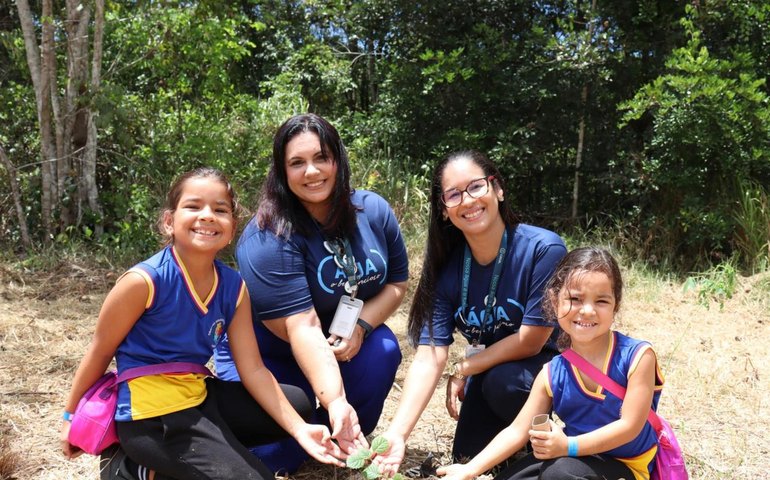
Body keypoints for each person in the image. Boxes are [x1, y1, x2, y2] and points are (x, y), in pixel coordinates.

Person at [60, 168, 344, 480]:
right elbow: (100, 351)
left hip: (198, 396)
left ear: (233, 227)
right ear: (169, 221)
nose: (207, 216)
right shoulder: (143, 282)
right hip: (150, 417)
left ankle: (165, 467)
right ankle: (131, 464)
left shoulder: (233, 286)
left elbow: (253, 369)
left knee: (298, 404)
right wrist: (70, 416)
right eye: (194, 207)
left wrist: (300, 430)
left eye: (220, 209)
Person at [214, 113, 408, 473]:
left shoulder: (374, 210)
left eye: (322, 157)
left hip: (339, 353)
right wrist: (334, 400)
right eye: (297, 162)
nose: (312, 171)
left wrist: (361, 326)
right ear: (281, 172)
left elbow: (397, 284)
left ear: (338, 160)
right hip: (270, 361)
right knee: (270, 456)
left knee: (383, 348)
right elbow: (300, 327)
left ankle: (343, 439)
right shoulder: (267, 236)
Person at [375, 150, 567, 475]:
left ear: (498, 189)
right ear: (445, 211)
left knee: (504, 383)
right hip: (490, 373)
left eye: (476, 187)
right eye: (453, 194)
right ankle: (518, 452)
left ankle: (565, 445)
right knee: (466, 454)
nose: (467, 200)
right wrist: (397, 433)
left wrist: (465, 367)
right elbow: (428, 356)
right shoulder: (447, 270)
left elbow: (531, 341)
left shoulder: (543, 249)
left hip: (546, 372)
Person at [436, 247, 665, 480]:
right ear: (555, 301)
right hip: (572, 457)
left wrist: (568, 446)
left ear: (615, 305)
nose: (587, 311)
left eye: (602, 301)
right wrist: (470, 469)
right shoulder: (552, 373)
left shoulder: (637, 357)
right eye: (575, 299)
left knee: (559, 474)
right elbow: (518, 430)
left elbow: (630, 427)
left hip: (624, 466)